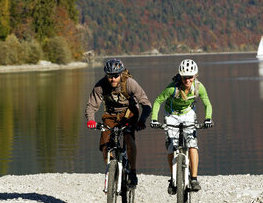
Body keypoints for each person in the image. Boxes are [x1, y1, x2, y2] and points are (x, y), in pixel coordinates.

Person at [85, 59, 152, 187]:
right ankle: (112, 170)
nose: (113, 79)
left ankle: (132, 172)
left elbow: (146, 104)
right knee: (105, 144)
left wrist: (142, 120)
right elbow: (91, 105)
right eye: (110, 76)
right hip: (110, 115)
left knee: (128, 137)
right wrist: (91, 120)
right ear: (106, 75)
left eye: (116, 76)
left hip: (129, 113)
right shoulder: (100, 86)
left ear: (121, 74)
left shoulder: (130, 83)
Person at [150, 59, 213, 193]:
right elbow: (157, 101)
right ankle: (173, 178)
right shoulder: (172, 88)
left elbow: (207, 103)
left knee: (192, 145)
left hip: (188, 113)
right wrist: (154, 119)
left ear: (195, 76)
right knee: (171, 147)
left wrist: (208, 118)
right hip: (171, 114)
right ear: (180, 76)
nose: (187, 80)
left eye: (190, 77)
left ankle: (194, 178)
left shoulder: (198, 87)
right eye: (184, 77)